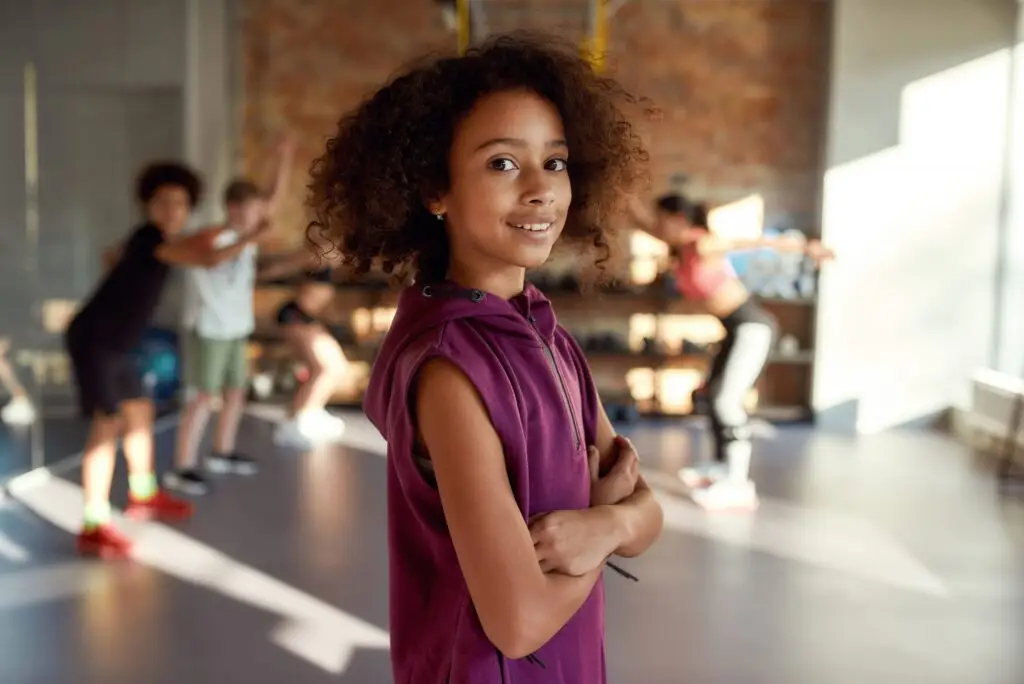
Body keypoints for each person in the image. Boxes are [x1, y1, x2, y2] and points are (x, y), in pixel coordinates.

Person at [306, 35, 664, 683]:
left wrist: (608, 523)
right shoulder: (448, 369)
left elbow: (647, 514)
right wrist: (600, 539)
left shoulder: (547, 334)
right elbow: (519, 623)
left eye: (554, 163)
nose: (540, 190)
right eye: (502, 164)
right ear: (435, 191)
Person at [65, 162, 268, 558]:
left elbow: (191, 244)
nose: (171, 209)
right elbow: (207, 259)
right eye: (162, 202)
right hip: (95, 342)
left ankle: (143, 495)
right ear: (148, 205)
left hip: (121, 344)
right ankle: (93, 523)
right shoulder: (149, 237)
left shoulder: (159, 239)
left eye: (180, 203)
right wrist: (253, 236)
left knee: (140, 411)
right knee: (107, 426)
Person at [627, 193, 834, 510]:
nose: (656, 226)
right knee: (713, 396)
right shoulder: (680, 245)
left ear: (679, 220)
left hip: (752, 327)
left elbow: (754, 241)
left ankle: (738, 484)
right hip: (734, 328)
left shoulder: (702, 243)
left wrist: (808, 247)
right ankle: (722, 467)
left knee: (727, 401)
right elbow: (641, 222)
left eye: (661, 219)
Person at [165, 139, 294, 496]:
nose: (252, 217)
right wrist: (251, 235)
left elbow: (272, 197)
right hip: (209, 329)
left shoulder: (248, 233)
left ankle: (222, 451)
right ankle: (182, 466)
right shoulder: (215, 236)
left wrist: (283, 158)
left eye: (253, 211)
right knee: (203, 398)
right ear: (230, 209)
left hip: (236, 327)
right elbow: (212, 259)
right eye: (243, 211)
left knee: (236, 393)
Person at [257, 249, 349, 448]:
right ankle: (299, 420)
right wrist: (257, 274)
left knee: (333, 368)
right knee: (327, 369)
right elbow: (285, 265)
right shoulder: (323, 249)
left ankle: (305, 414)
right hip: (297, 315)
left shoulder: (345, 251)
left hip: (308, 317)